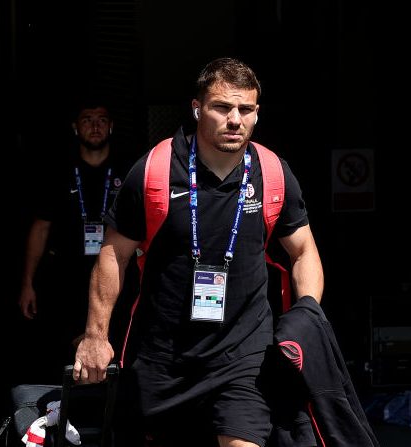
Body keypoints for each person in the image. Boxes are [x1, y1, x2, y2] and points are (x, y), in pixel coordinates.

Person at [73, 57, 324, 447]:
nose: (235, 119)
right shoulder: (155, 170)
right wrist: (95, 335)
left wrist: (306, 317)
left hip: (245, 356)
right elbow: (114, 254)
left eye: (246, 109)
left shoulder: (272, 172)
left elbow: (303, 250)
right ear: (197, 109)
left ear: (257, 114)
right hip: (165, 355)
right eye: (222, 107)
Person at [17, 98, 137, 384]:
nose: (95, 126)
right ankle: (62, 421)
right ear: (75, 127)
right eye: (87, 120)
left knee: (114, 350)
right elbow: (40, 229)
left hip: (117, 274)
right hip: (66, 275)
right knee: (65, 355)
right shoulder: (58, 170)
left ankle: (112, 420)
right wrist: (27, 282)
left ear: (111, 126)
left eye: (101, 120)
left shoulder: (129, 171)